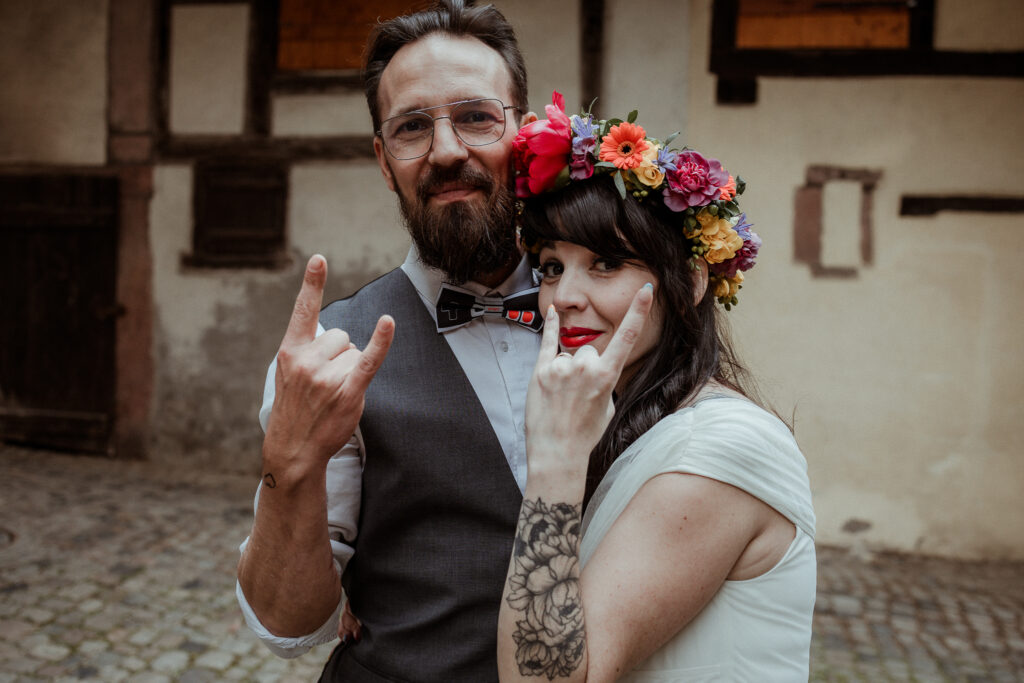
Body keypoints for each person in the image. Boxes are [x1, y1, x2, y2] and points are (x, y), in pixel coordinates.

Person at [235, 2, 542, 681]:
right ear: (383, 159)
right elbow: (287, 625)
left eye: (475, 116)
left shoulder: (609, 307)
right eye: (411, 127)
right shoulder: (330, 350)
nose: (447, 151)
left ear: (526, 131)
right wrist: (289, 462)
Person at [496, 93, 816, 680]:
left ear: (690, 281)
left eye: (605, 264)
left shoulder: (717, 449)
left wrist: (556, 461)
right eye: (550, 266)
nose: (562, 296)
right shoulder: (631, 420)